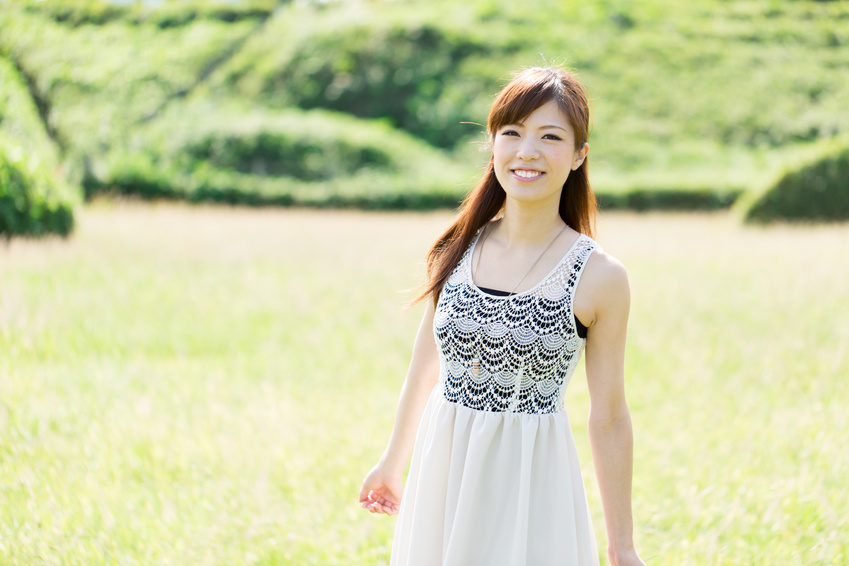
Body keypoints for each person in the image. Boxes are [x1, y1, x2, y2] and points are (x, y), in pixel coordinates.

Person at [359, 66, 646, 566]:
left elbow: (610, 416)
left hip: (533, 481)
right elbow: (426, 367)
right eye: (511, 134)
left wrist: (621, 546)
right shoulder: (458, 247)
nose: (526, 151)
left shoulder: (599, 276)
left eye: (550, 137)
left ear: (580, 155)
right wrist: (392, 462)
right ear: (493, 145)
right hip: (445, 470)